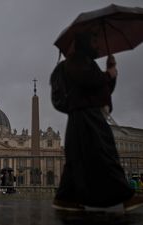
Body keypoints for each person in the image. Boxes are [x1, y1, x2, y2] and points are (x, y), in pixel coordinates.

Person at [52, 32, 143, 212]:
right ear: (85, 42)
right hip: (88, 116)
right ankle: (127, 196)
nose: (97, 45)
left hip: (80, 116)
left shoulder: (79, 63)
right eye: (94, 41)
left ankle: (65, 198)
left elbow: (101, 88)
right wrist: (108, 75)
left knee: (76, 159)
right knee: (105, 153)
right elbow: (91, 82)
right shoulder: (78, 61)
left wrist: (111, 71)